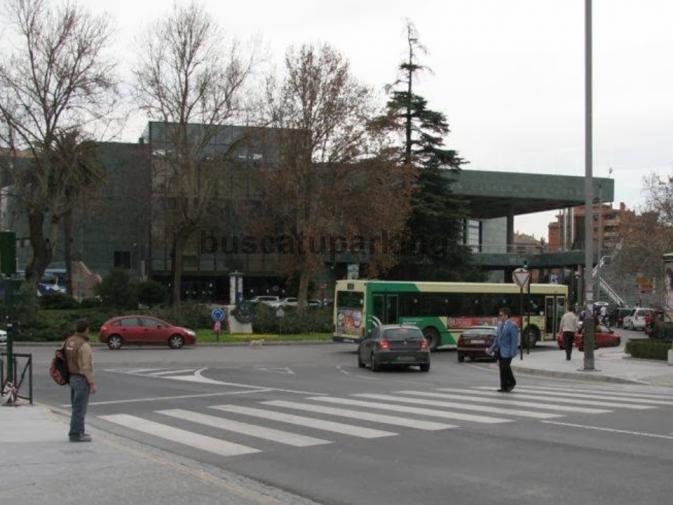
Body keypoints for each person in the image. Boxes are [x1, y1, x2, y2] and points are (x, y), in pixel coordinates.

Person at [64, 318, 96, 442]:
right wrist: (92, 383)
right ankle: (76, 433)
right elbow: (86, 366)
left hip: (72, 377)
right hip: (81, 378)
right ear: (86, 329)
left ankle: (79, 431)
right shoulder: (84, 344)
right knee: (80, 408)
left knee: (75, 406)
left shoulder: (69, 341)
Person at [487, 307, 519, 392]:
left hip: (508, 351)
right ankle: (504, 387)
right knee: (502, 369)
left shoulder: (512, 325)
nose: (499, 316)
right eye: (499, 315)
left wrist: (513, 352)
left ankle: (512, 382)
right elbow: (497, 339)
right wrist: (491, 348)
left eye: (501, 315)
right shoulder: (500, 325)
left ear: (506, 315)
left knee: (505, 367)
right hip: (500, 351)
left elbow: (514, 340)